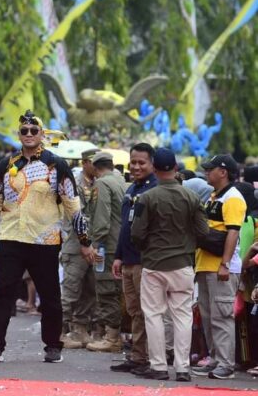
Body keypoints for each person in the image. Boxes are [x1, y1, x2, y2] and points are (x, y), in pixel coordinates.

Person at [0, 110, 95, 364]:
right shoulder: (6, 165)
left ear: (42, 134)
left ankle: (52, 346)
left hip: (44, 240)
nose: (28, 135)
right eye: (24, 131)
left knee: (50, 296)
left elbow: (72, 205)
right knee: (2, 293)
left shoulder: (57, 165)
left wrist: (84, 241)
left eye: (33, 131)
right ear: (19, 135)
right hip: (11, 237)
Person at [130, 148, 209, 381]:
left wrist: (146, 248)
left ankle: (159, 367)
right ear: (176, 168)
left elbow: (137, 233)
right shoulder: (192, 197)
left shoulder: (147, 198)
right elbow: (203, 232)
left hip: (154, 264)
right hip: (183, 263)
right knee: (182, 316)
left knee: (153, 315)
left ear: (154, 169)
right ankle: (182, 368)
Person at [192, 154, 245, 379]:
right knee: (208, 315)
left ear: (223, 172)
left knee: (222, 316)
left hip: (221, 267)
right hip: (206, 264)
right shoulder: (215, 196)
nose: (206, 172)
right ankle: (214, 358)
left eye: (210, 169)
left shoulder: (232, 198)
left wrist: (224, 264)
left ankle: (226, 364)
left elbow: (233, 232)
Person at [110, 143, 157, 373]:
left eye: (142, 163)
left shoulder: (155, 189)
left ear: (152, 164)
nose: (136, 167)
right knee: (133, 311)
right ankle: (137, 356)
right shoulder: (131, 189)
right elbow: (124, 227)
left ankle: (146, 357)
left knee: (145, 311)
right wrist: (118, 256)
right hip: (127, 260)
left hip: (144, 261)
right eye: (134, 162)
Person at [85, 152, 126, 353]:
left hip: (107, 246)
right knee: (117, 289)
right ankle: (113, 334)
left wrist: (94, 243)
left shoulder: (101, 184)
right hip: (120, 245)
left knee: (106, 289)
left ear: (95, 167)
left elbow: (102, 218)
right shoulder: (120, 181)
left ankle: (112, 338)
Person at [60, 148, 99, 349]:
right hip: (76, 245)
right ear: (84, 163)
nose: (98, 165)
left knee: (90, 290)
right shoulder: (74, 184)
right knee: (70, 290)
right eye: (94, 161)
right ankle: (58, 331)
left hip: (93, 245)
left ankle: (80, 329)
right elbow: (79, 216)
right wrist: (87, 241)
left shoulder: (98, 184)